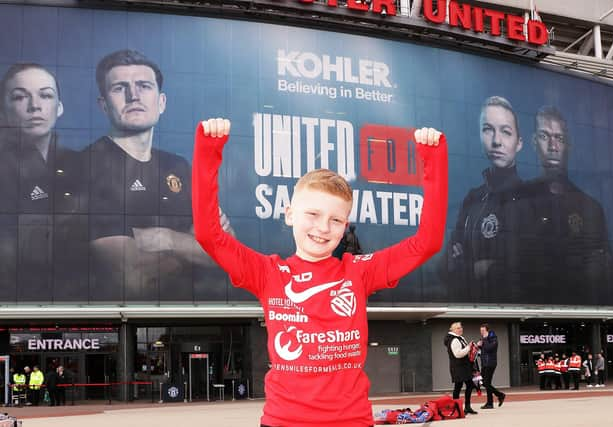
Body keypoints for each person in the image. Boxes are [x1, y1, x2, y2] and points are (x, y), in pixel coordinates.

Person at [192, 118, 448, 426]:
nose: (323, 227)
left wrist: (433, 159)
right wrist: (209, 151)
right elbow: (210, 235)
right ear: (289, 214)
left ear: (345, 226)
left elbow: (427, 243)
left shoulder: (359, 271)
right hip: (283, 421)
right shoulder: (268, 272)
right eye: (312, 214)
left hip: (351, 421)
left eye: (336, 220)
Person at [85, 49, 233, 300]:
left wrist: (166, 238)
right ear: (103, 105)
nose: (134, 96)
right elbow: (133, 279)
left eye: (144, 86)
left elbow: (228, 254)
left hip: (192, 315)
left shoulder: (177, 166)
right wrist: (195, 245)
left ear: (161, 102)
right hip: (122, 317)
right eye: (120, 88)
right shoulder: (88, 166)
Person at [0, 63, 85, 300]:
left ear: (59, 108)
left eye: (45, 95)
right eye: (19, 97)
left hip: (77, 298)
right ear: (2, 110)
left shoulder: (81, 164)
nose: (34, 106)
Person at [523, 106, 611, 304]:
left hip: (582, 308)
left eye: (559, 138)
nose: (553, 145)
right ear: (534, 142)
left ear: (567, 146)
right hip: (530, 306)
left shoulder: (591, 208)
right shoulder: (517, 202)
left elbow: (603, 271)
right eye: (545, 136)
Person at [445, 96, 525, 302]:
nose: (496, 140)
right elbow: (448, 263)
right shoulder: (473, 198)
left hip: (514, 309)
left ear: (519, 143)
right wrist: (477, 267)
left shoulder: (531, 198)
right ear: (480, 135)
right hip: (468, 306)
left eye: (506, 132)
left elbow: (526, 267)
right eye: (488, 129)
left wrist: (477, 267)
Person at [444, 322, 477, 415]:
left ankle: (465, 407)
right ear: (453, 330)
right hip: (459, 367)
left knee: (465, 386)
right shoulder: (454, 340)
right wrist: (468, 347)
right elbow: (458, 354)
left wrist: (470, 348)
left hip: (463, 367)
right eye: (458, 328)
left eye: (461, 327)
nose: (460, 329)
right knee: (460, 387)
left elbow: (465, 351)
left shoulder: (460, 338)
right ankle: (459, 407)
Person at [476, 323, 505, 408]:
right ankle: (498, 396)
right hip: (484, 363)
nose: (481, 332)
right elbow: (484, 350)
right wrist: (479, 346)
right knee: (484, 382)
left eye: (483, 330)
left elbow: (489, 348)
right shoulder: (484, 339)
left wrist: (484, 340)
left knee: (486, 382)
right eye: (480, 331)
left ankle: (492, 401)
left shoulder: (493, 338)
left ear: (487, 330)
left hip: (490, 363)